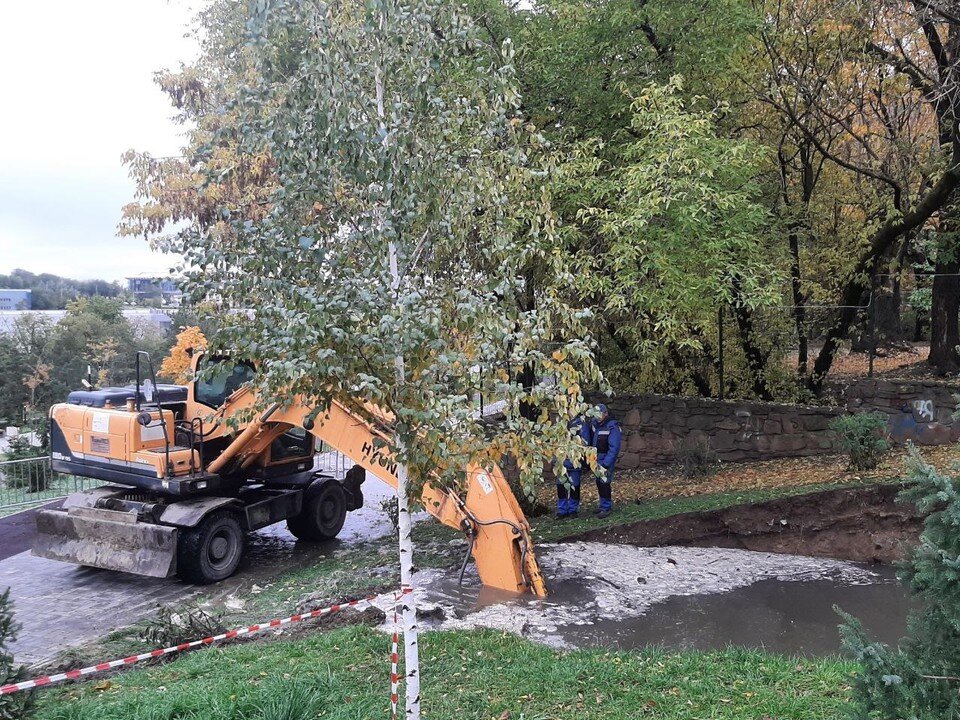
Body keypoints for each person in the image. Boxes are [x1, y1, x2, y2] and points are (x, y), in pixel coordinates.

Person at [590, 403, 621, 518]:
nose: (597, 416)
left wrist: (607, 463)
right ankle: (602, 505)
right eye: (595, 414)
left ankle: (606, 507)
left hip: (606, 458)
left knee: (604, 483)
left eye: (599, 414)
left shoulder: (612, 426)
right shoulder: (595, 424)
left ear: (605, 413)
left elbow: (614, 447)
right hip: (596, 458)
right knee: (599, 482)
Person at [557, 415, 590, 519]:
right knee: (561, 487)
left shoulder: (581, 423)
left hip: (574, 462)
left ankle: (573, 510)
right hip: (561, 462)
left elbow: (585, 442)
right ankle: (562, 510)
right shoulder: (560, 421)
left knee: (575, 487)